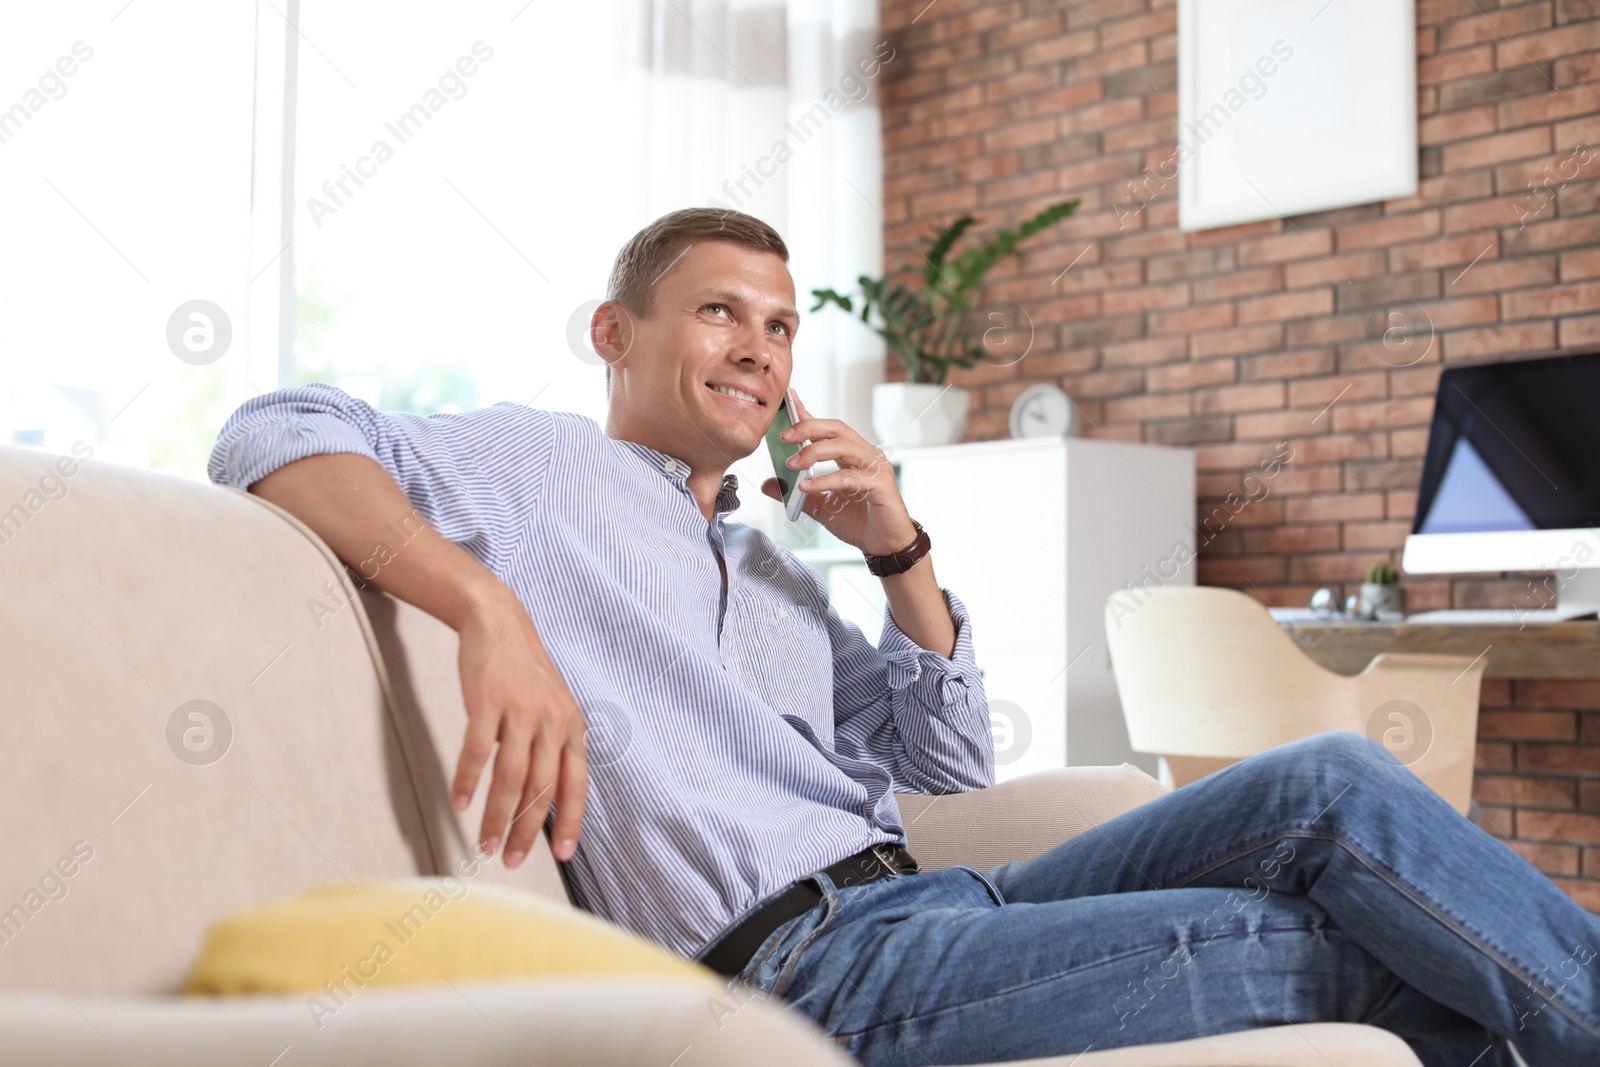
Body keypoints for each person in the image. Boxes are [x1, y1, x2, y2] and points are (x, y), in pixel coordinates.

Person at [209, 208, 1599, 1067]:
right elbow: (274, 429)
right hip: (809, 972)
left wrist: (896, 550)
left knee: (1331, 788)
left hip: (943, 904)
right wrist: (484, 609)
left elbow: (943, 759)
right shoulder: (531, 465)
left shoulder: (773, 571)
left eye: (781, 327)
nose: (760, 351)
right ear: (614, 334)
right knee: (1329, 945)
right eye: (718, 314)